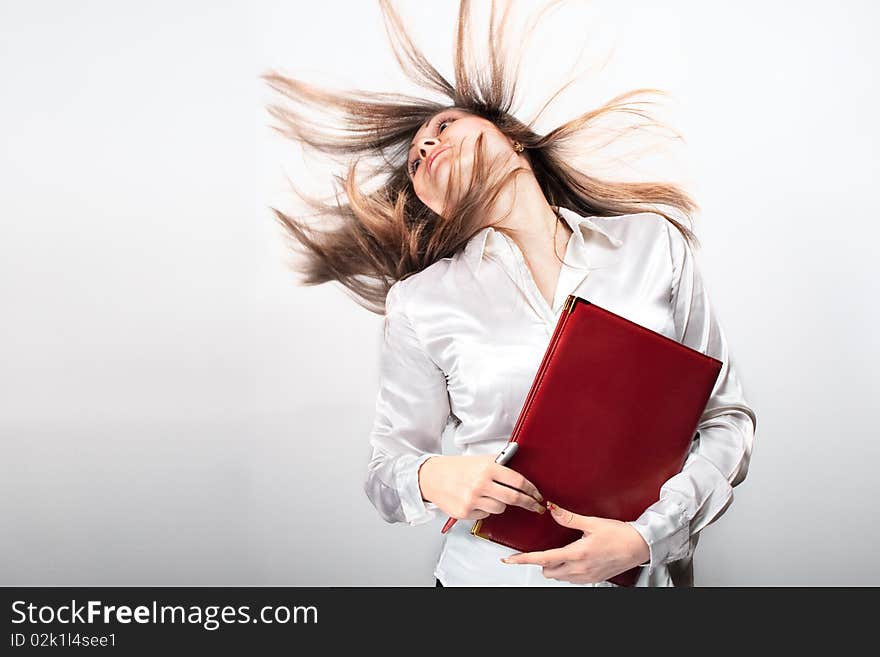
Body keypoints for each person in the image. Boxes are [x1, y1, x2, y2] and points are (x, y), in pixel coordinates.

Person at [262, 0, 757, 587]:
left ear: (515, 140)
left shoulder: (651, 245)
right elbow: (386, 470)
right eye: (416, 160)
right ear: (432, 205)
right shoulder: (420, 303)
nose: (426, 149)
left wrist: (645, 538)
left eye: (443, 126)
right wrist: (432, 478)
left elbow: (724, 420)